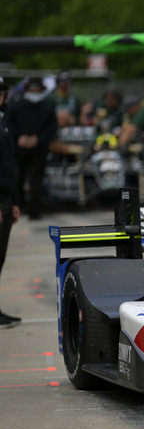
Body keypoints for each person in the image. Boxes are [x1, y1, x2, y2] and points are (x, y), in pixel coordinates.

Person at [5, 77, 57, 220]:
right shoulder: (45, 106)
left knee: (27, 179)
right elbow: (52, 128)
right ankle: (28, 209)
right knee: (29, 179)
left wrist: (27, 138)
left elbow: (8, 124)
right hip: (30, 147)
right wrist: (30, 138)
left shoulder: (17, 105)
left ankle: (23, 207)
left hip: (32, 147)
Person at [0, 77, 22, 327]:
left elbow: (9, 166)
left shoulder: (3, 122)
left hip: (6, 197)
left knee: (1, 258)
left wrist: (15, 200)